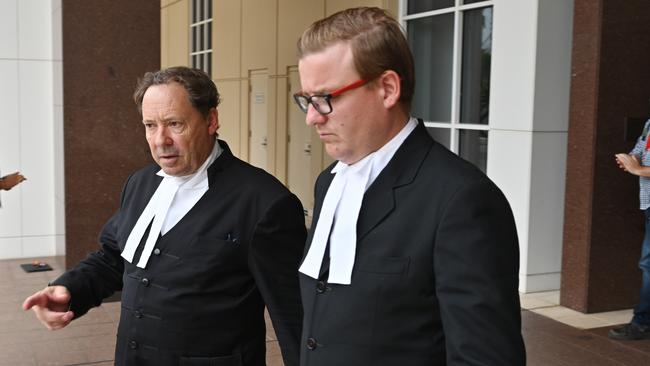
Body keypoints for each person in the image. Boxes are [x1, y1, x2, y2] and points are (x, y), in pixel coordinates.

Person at [23, 67, 307, 365]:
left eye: (175, 124)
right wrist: (70, 289)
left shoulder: (265, 202)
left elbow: (295, 317)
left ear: (211, 120)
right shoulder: (140, 183)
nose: (160, 140)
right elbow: (113, 258)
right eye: (150, 125)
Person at [293, 7, 525, 365]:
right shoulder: (329, 181)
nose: (312, 116)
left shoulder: (462, 200)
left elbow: (484, 357)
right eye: (307, 100)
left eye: (327, 98)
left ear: (387, 88)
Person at [610, 119, 650, 340]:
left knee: (648, 264)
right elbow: (639, 148)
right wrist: (631, 160)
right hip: (648, 202)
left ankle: (642, 322)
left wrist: (638, 169)